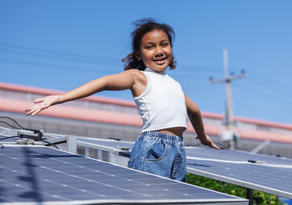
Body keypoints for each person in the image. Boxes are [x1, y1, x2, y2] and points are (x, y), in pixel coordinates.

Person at [25, 18, 219, 182]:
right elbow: (104, 82)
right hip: (153, 146)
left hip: (178, 148)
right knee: (151, 200)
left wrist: (203, 137)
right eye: (149, 47)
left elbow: (194, 111)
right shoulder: (139, 77)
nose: (158, 51)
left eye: (164, 44)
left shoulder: (175, 84)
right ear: (138, 54)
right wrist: (60, 98)